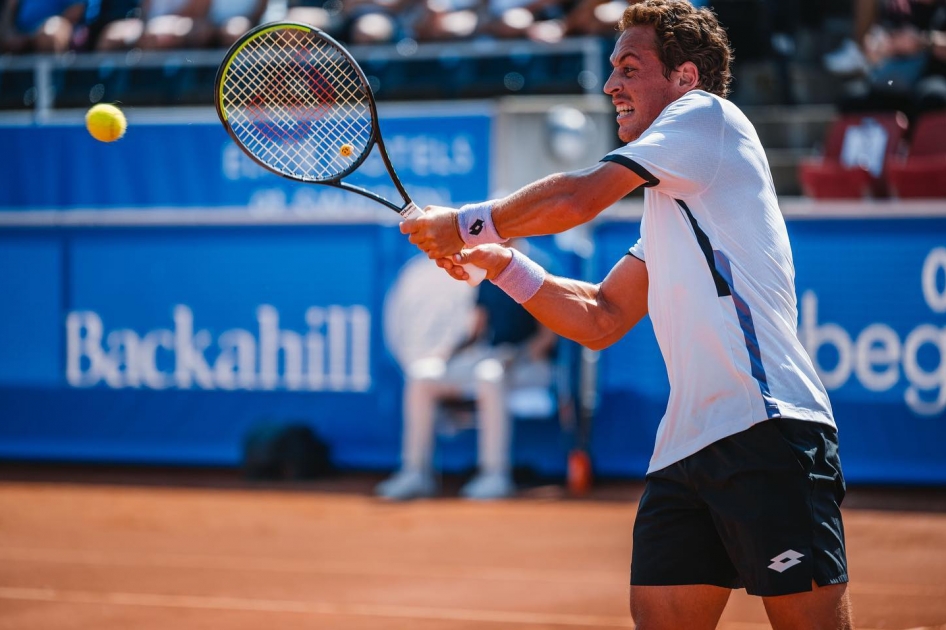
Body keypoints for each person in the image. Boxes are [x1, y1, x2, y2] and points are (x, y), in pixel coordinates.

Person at [400, 1, 854, 627]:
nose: (610, 83)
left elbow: (578, 196)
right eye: (612, 67)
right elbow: (601, 316)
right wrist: (496, 261)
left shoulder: (709, 119)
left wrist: (459, 224)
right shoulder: (675, 199)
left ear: (685, 78)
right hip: (684, 449)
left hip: (767, 432)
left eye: (630, 67)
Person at [376, 239, 558, 501]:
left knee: (489, 376)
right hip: (491, 358)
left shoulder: (539, 266)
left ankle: (494, 475)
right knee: (422, 376)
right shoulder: (489, 266)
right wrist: (450, 354)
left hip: (532, 365)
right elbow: (478, 326)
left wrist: (515, 358)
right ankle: (416, 473)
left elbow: (547, 338)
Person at [0, 0, 86, 53]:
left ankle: (51, 80)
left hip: (57, 32)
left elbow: (75, 11)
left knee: (47, 36)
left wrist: (32, 39)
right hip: (20, 33)